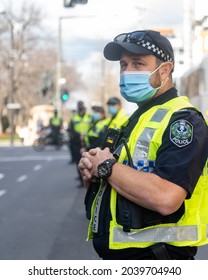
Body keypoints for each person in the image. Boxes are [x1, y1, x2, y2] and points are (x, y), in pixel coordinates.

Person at [78, 29, 208, 260]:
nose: (127, 72)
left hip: (159, 259)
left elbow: (167, 197)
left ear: (165, 70)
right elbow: (127, 181)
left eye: (138, 64)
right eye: (123, 65)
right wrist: (94, 174)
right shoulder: (137, 119)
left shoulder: (183, 120)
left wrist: (107, 166)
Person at [68, 100, 92, 187]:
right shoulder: (74, 117)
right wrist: (78, 135)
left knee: (89, 161)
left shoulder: (89, 116)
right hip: (77, 142)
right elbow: (70, 129)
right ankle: (82, 180)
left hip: (88, 142)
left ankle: (90, 178)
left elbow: (93, 127)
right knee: (79, 161)